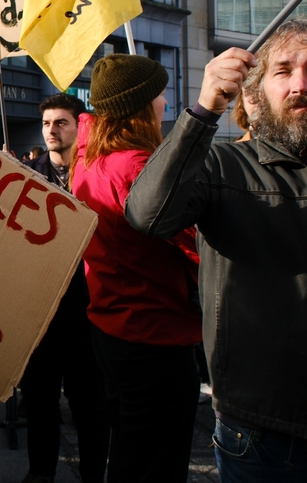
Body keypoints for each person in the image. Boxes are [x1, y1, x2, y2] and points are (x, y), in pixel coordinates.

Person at [126, 16, 307, 482]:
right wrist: (203, 110)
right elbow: (147, 215)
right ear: (252, 95)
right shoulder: (222, 164)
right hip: (261, 434)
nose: (301, 84)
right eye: (283, 70)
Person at [71, 54, 202, 483]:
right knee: (156, 464)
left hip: (113, 326)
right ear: (142, 105)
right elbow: (196, 247)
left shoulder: (89, 159)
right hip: (153, 331)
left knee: (130, 450)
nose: (166, 102)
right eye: (160, 94)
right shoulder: (135, 167)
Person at [19, 94, 109, 483]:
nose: (52, 131)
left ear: (79, 125)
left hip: (88, 316)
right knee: (39, 406)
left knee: (90, 408)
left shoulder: (96, 174)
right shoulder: (24, 175)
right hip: (38, 317)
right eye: (46, 124)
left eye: (61, 123)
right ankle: (40, 475)